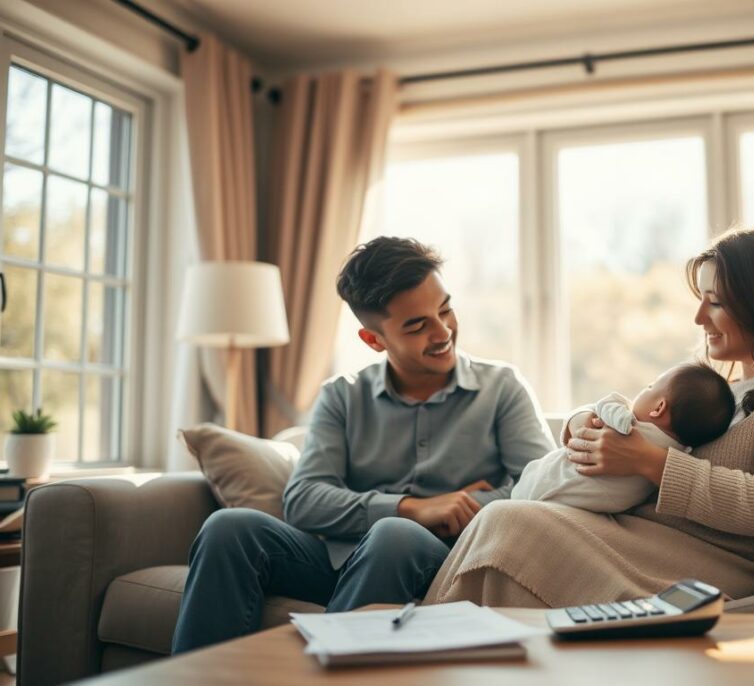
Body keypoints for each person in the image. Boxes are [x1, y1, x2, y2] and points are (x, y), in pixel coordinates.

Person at [425, 225, 754, 608]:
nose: (698, 317)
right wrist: (586, 425)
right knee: (492, 519)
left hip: (694, 562)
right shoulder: (726, 390)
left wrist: (646, 461)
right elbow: (636, 412)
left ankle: (423, 657)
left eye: (715, 302)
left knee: (506, 522)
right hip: (631, 536)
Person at [171, 237, 553, 653]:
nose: (443, 331)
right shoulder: (342, 396)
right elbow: (303, 499)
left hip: (443, 562)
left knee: (395, 535)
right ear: (374, 340)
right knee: (228, 528)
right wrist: (410, 506)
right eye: (417, 324)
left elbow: (543, 488)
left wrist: (459, 507)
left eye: (444, 309)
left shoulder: (502, 389)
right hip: (337, 560)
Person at [512, 363, 734, 513]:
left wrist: (612, 409)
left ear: (659, 408)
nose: (642, 390)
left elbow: (605, 406)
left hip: (541, 488)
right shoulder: (676, 455)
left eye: (650, 387)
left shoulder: (627, 425)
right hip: (570, 506)